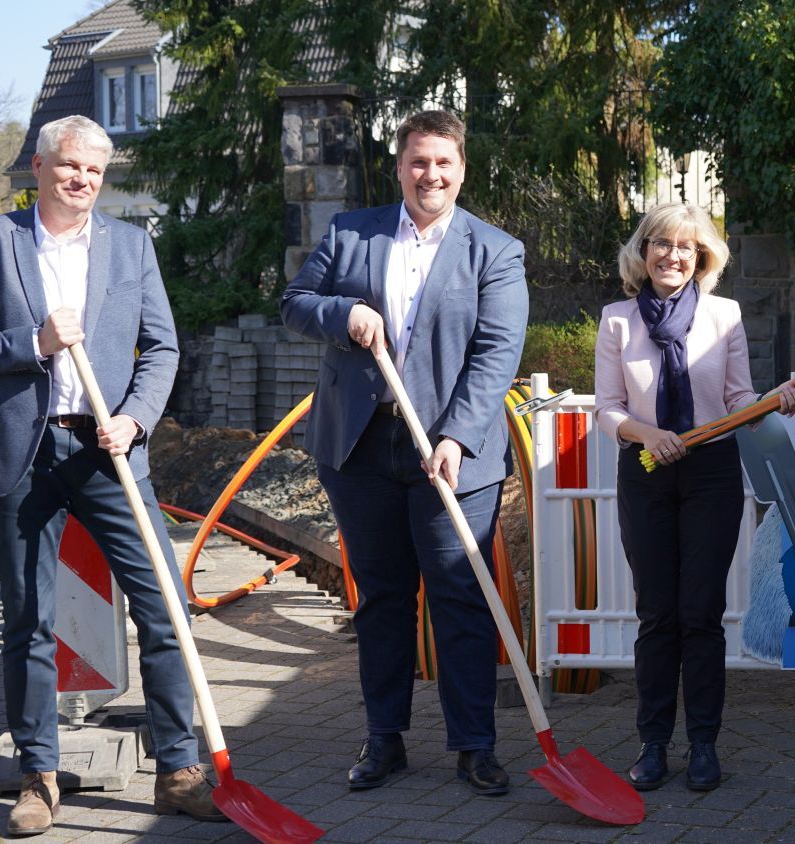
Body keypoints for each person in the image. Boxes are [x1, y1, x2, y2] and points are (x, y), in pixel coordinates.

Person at [0, 115, 222, 837]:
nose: (83, 181)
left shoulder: (130, 246)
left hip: (108, 455)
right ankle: (38, 777)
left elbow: (162, 348)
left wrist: (134, 419)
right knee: (28, 623)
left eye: (96, 172)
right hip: (22, 456)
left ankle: (179, 768)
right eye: (71, 166)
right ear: (38, 167)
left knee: (165, 608)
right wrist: (31, 342)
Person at [281, 110, 528, 795]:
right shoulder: (350, 233)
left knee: (458, 597)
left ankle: (475, 745)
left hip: (452, 448)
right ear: (399, 166)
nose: (432, 175)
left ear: (462, 169)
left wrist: (456, 434)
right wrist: (343, 314)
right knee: (382, 597)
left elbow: (496, 353)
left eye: (444, 163)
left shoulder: (495, 251)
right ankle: (383, 739)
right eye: (419, 161)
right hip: (360, 445)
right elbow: (295, 303)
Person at [594, 203, 795, 791]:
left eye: (686, 246)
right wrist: (650, 433)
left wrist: (774, 400)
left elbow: (739, 399)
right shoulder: (616, 320)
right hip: (645, 468)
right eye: (661, 243)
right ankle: (654, 745)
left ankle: (704, 746)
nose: (673, 255)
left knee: (701, 614)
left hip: (711, 471)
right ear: (643, 251)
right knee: (657, 614)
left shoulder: (725, 315)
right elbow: (607, 409)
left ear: (702, 257)